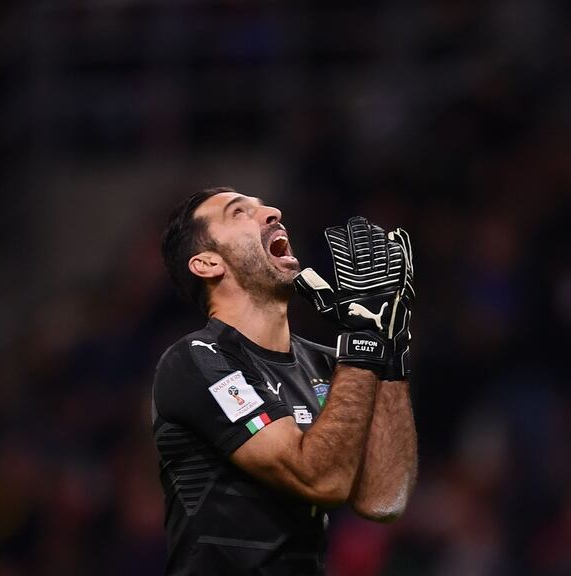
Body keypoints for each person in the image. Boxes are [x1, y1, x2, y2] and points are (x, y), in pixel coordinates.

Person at [153, 187, 417, 575]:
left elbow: (383, 500)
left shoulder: (334, 366)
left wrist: (388, 348)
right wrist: (361, 341)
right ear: (207, 263)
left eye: (266, 207)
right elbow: (318, 479)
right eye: (239, 212)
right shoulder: (197, 360)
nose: (274, 212)